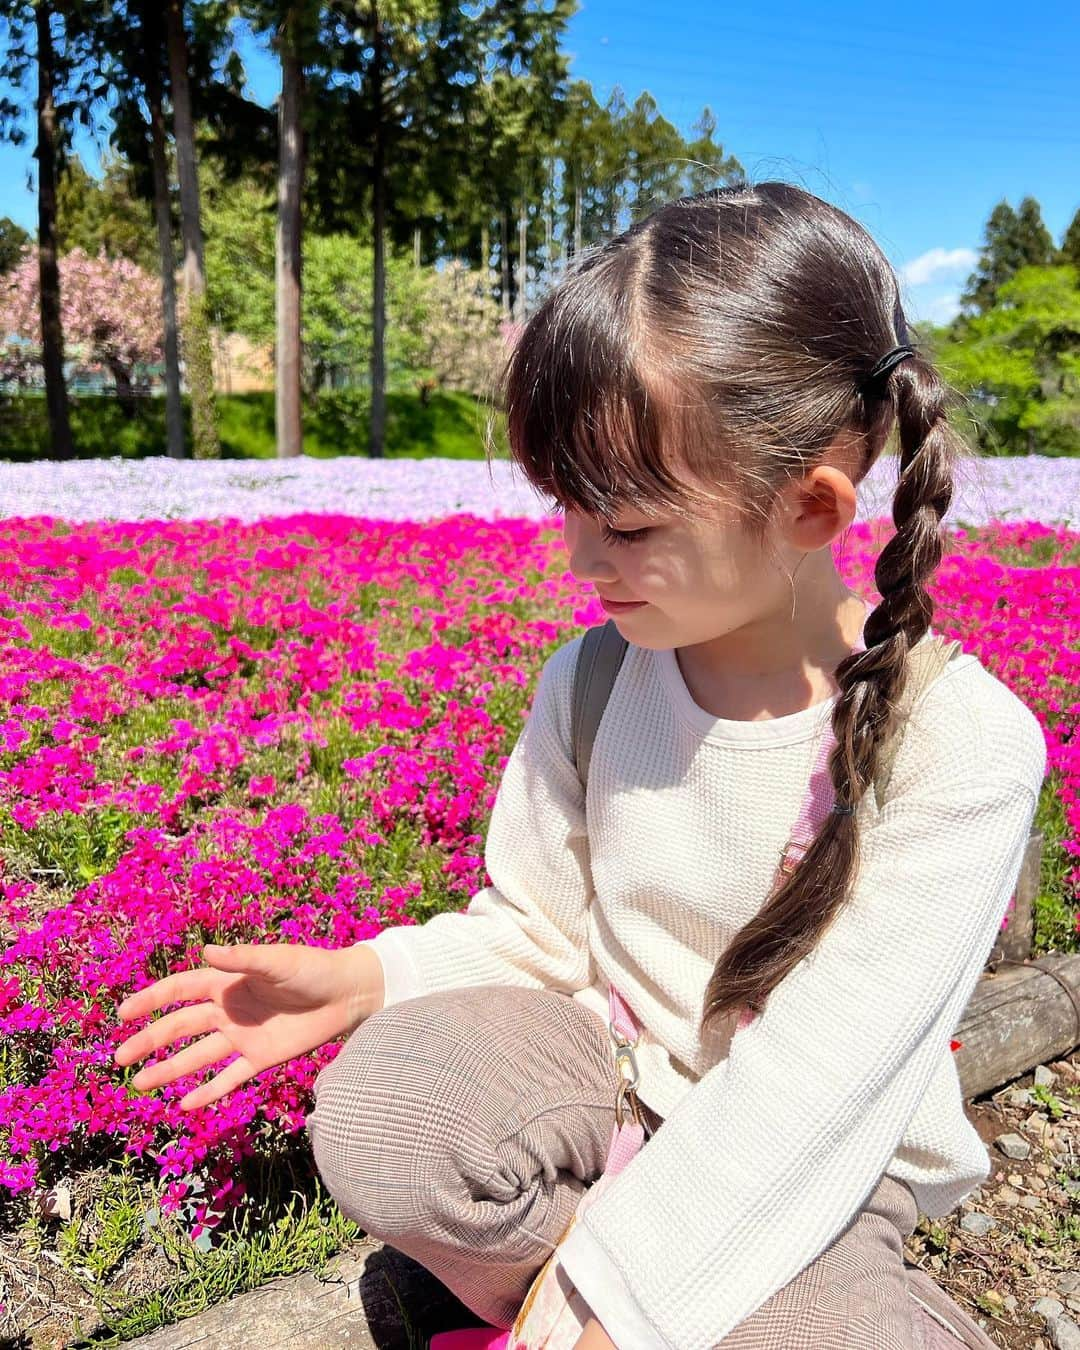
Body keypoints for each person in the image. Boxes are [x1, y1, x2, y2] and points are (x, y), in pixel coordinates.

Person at [114, 182, 1047, 1349]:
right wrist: (359, 981)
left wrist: (616, 1294)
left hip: (828, 1158)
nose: (581, 556)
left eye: (632, 522)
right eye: (568, 505)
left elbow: (817, 1089)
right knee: (382, 1116)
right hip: (611, 1077)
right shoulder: (599, 679)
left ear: (810, 509)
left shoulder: (960, 744)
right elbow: (539, 932)